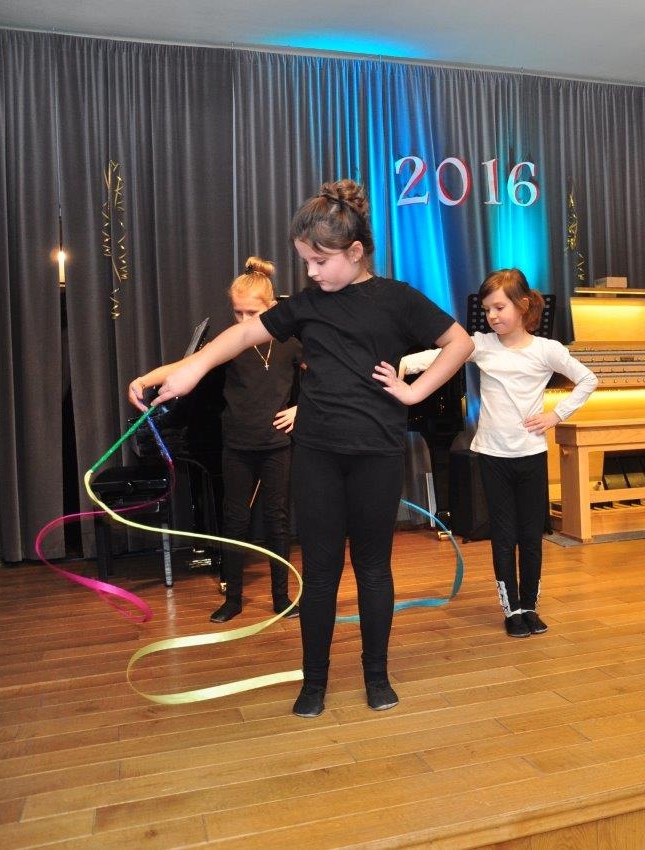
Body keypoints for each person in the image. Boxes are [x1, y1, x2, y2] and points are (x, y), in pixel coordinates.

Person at [129, 179, 474, 718]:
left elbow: (460, 342)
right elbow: (241, 337)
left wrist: (413, 392)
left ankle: (376, 675)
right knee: (319, 572)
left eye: (319, 261)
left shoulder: (397, 299)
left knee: (373, 568)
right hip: (316, 456)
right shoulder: (307, 306)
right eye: (305, 261)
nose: (310, 272)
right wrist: (186, 371)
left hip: (376, 456)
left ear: (355, 251)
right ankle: (314, 682)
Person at [401, 269, 597, 638]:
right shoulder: (481, 345)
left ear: (523, 305)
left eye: (499, 307)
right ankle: (512, 611)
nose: (492, 316)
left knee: (531, 536)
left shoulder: (547, 350)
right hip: (492, 456)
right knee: (504, 536)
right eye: (487, 309)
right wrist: (403, 365)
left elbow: (588, 379)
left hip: (531, 455)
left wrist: (556, 415)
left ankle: (530, 606)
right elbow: (436, 356)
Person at [209, 257, 303, 624]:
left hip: (276, 445)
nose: (244, 321)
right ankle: (233, 598)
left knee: (277, 521)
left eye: (253, 313)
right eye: (238, 313)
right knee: (235, 520)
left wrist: (300, 409)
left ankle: (281, 597)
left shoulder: (289, 344)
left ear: (272, 307)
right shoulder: (229, 342)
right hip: (237, 444)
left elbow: (321, 378)